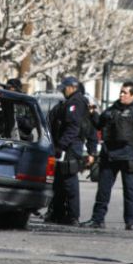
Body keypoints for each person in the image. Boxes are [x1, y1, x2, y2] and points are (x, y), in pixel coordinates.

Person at [81, 81, 133, 230]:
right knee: (103, 189)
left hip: (128, 156)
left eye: (125, 93)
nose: (122, 95)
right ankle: (97, 219)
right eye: (121, 92)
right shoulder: (112, 109)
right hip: (109, 154)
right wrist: (93, 113)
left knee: (129, 191)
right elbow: (99, 124)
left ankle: (130, 222)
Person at [48, 76, 93, 226]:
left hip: (71, 146)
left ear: (72, 87)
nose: (63, 91)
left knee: (69, 182)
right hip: (67, 145)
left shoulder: (76, 102)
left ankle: (73, 216)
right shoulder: (70, 102)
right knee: (60, 181)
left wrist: (61, 145)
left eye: (65, 88)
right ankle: (58, 213)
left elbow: (73, 127)